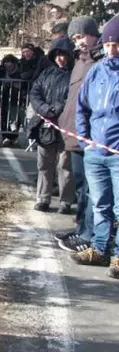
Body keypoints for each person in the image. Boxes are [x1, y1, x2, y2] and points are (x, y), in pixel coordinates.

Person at [73, 14, 119, 279]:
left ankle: (118, 256)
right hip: (95, 153)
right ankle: (99, 248)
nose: (112, 50)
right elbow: (82, 108)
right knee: (100, 204)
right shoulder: (97, 72)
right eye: (108, 45)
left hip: (117, 153)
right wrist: (85, 141)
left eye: (117, 45)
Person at [55, 16, 102, 253]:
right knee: (81, 186)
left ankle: (89, 235)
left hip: (91, 137)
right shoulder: (80, 62)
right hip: (73, 134)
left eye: (82, 36)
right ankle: (81, 227)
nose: (79, 42)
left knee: (92, 189)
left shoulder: (101, 62)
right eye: (75, 38)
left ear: (93, 34)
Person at [28, 37, 75, 213]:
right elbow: (35, 93)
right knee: (44, 163)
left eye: (63, 55)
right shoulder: (46, 74)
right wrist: (46, 109)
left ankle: (66, 201)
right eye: (57, 55)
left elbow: (73, 96)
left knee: (65, 165)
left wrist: (57, 109)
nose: (60, 58)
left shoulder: (74, 75)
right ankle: (43, 198)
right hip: (45, 126)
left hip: (66, 126)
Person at [0, 54, 24, 146]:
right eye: (6, 66)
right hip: (5, 97)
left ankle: (13, 137)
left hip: (16, 97)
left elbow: (21, 84)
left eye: (10, 66)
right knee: (4, 116)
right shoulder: (2, 71)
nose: (8, 68)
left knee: (15, 118)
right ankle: (5, 136)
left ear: (14, 65)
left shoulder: (19, 73)